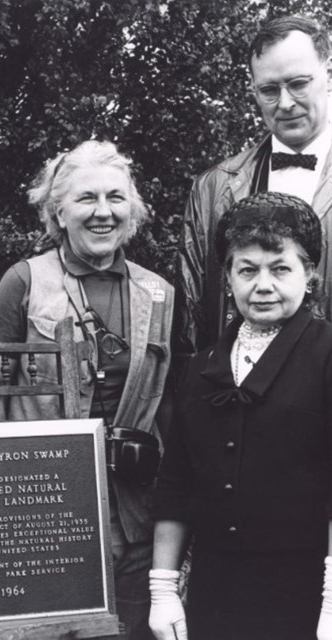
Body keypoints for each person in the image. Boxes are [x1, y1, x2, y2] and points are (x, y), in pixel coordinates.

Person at [0, 140, 174, 640]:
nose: (102, 212)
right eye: (86, 199)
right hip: (47, 511)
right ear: (57, 211)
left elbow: (169, 401)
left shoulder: (160, 292)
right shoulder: (23, 281)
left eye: (115, 197)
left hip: (135, 512)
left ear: (134, 209)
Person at [150, 191, 332, 640]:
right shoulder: (203, 365)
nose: (263, 284)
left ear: (309, 274)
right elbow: (176, 482)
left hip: (303, 590)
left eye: (280, 268)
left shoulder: (327, 354)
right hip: (217, 593)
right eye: (247, 270)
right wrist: (163, 589)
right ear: (228, 277)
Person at [175, 15, 332, 366]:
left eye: (298, 84)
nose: (286, 102)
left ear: (329, 74)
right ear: (254, 91)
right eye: (270, 90)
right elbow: (190, 314)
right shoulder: (213, 187)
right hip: (238, 402)